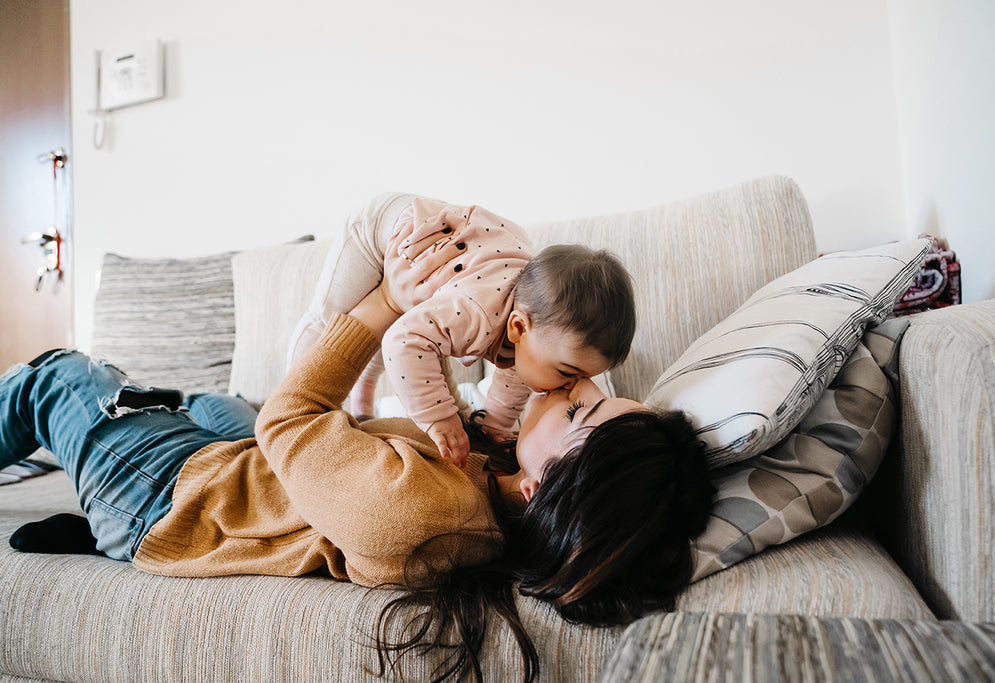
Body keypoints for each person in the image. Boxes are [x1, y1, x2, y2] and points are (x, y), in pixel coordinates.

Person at [1, 258, 713, 683]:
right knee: (213, 401)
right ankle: (141, 414)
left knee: (59, 375)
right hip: (257, 460)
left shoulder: (420, 517)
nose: (575, 385)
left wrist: (388, 301)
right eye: (593, 386)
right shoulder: (506, 478)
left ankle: (104, 469)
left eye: (580, 409)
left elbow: (289, 421)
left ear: (542, 488)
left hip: (170, 493)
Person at [287, 192, 637, 468]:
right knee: (330, 320)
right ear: (517, 326)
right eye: (568, 373)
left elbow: (514, 380)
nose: (571, 387)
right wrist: (439, 418)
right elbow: (403, 342)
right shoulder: (476, 313)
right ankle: (288, 389)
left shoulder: (529, 340)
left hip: (474, 259)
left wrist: (495, 427)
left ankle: (364, 392)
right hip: (384, 229)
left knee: (412, 325)